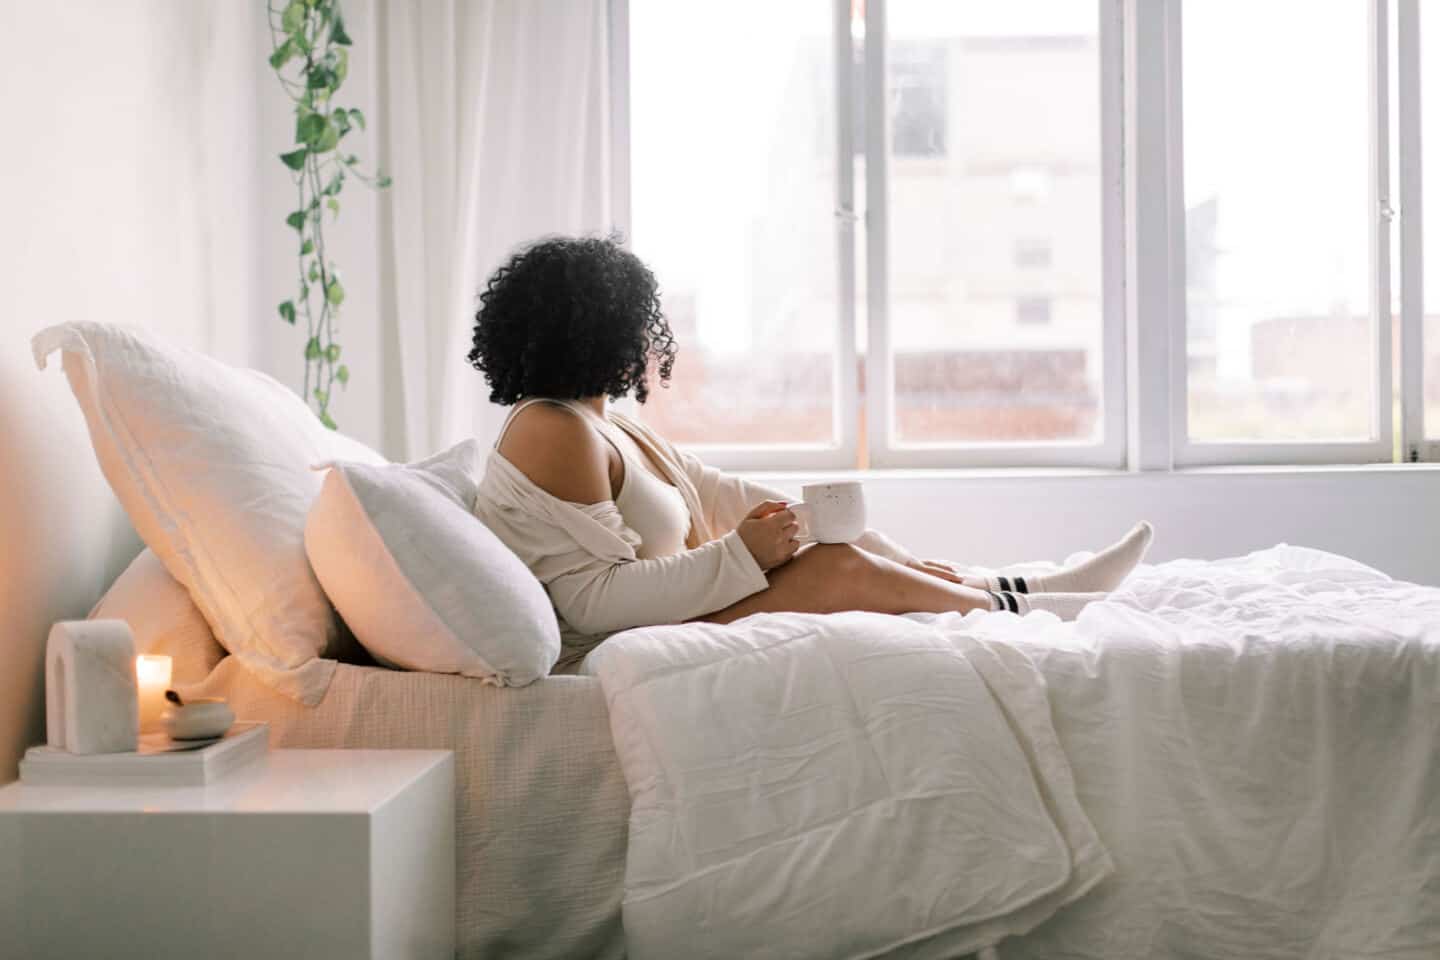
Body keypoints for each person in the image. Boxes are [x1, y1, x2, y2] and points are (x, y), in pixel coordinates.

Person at [470, 235, 1152, 670]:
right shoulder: (549, 429)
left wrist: (893, 553)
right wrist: (745, 554)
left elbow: (716, 493)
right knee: (837, 567)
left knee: (849, 548)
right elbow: (592, 601)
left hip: (663, 611)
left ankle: (1011, 590)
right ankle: (1028, 614)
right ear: (603, 330)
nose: (647, 343)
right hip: (615, 641)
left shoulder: (604, 423)